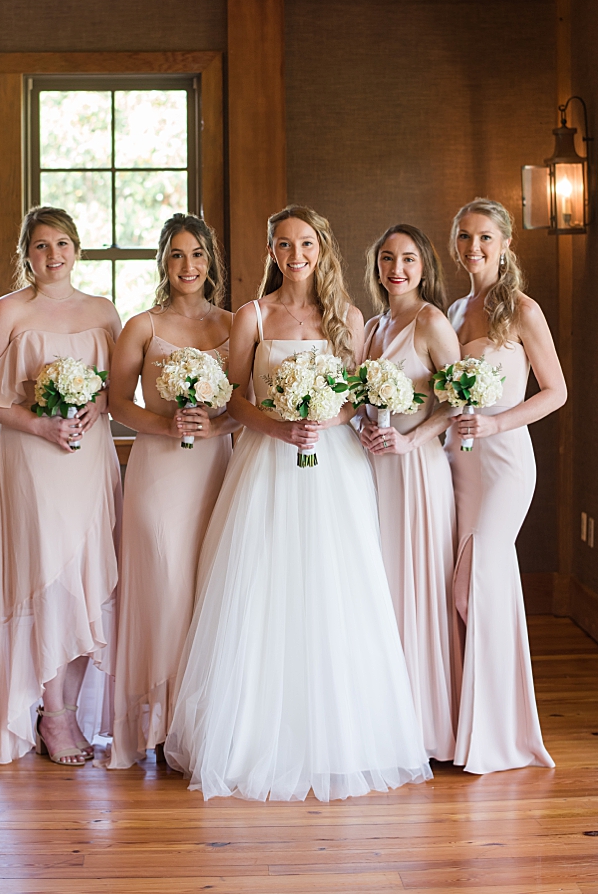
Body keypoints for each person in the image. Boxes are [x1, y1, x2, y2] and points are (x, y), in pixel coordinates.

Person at [164, 205, 430, 801]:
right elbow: (234, 397)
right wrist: (281, 429)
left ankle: (344, 739)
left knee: (336, 588)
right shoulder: (252, 315)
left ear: (322, 247)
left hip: (334, 464)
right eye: (284, 245)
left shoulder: (349, 316)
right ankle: (252, 736)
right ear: (271, 253)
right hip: (268, 461)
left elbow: (359, 395)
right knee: (265, 587)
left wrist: (326, 419)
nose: (296, 255)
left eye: (306, 243)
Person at [0, 205, 122, 766]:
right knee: (48, 575)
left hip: (89, 454)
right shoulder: (7, 312)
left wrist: (93, 409)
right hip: (34, 457)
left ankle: (71, 710)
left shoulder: (105, 312)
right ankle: (51, 715)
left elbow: (118, 386)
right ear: (26, 255)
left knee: (88, 573)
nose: (52, 255)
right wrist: (41, 422)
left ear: (76, 249)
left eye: (62, 244)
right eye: (40, 246)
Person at [106, 215, 234, 770]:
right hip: (158, 470)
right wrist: (166, 427)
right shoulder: (141, 326)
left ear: (211, 262)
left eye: (198, 255)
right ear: (163, 261)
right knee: (163, 583)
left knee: (207, 585)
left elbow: (245, 408)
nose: (189, 266)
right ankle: (154, 721)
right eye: (178, 255)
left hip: (215, 469)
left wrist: (216, 427)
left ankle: (200, 720)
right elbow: (117, 402)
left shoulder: (234, 324)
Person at [445, 198, 565, 773]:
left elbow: (557, 392)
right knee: (465, 589)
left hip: (504, 461)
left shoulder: (522, 309)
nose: (474, 247)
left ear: (505, 244)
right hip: (458, 463)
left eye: (485, 237)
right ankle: (471, 723)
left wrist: (495, 420)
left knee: (477, 586)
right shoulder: (453, 309)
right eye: (465, 237)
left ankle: (499, 733)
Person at [358, 224, 463, 762]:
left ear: (424, 267)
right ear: (376, 266)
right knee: (383, 587)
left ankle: (424, 728)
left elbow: (457, 399)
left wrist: (411, 438)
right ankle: (385, 719)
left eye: (408, 259)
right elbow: (357, 400)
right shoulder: (374, 326)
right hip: (376, 471)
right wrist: (363, 429)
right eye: (387, 258)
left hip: (418, 469)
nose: (396, 268)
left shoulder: (430, 321)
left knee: (416, 584)